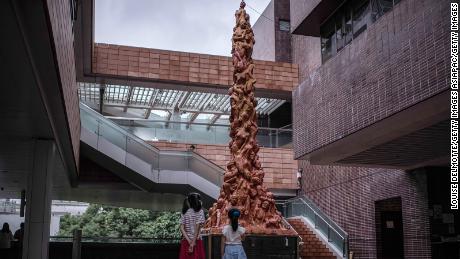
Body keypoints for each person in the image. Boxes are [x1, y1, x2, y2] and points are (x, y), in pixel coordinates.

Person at [179, 193, 205, 259]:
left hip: (186, 241)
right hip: (197, 241)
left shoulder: (184, 212)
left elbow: (182, 228)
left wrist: (189, 241)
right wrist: (193, 243)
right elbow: (198, 227)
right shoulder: (200, 211)